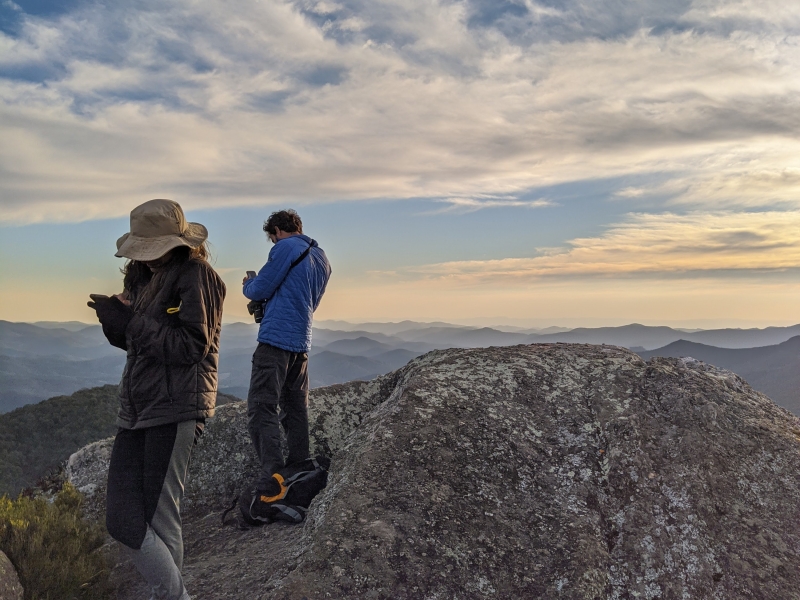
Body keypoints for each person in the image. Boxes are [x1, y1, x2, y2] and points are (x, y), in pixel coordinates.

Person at [87, 199, 226, 600]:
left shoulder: (197, 276)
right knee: (122, 519)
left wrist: (133, 323)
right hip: (139, 406)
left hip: (177, 406)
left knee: (160, 519)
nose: (143, 257)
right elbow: (141, 344)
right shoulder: (146, 276)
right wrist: (115, 322)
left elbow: (192, 346)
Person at [242, 209, 331, 502]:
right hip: (301, 341)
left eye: (271, 238)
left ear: (278, 231)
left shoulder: (285, 248)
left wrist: (247, 285)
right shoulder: (322, 259)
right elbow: (310, 302)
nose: (272, 242)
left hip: (275, 339)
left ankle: (272, 476)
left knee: (261, 405)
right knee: (295, 407)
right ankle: (298, 469)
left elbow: (261, 286)